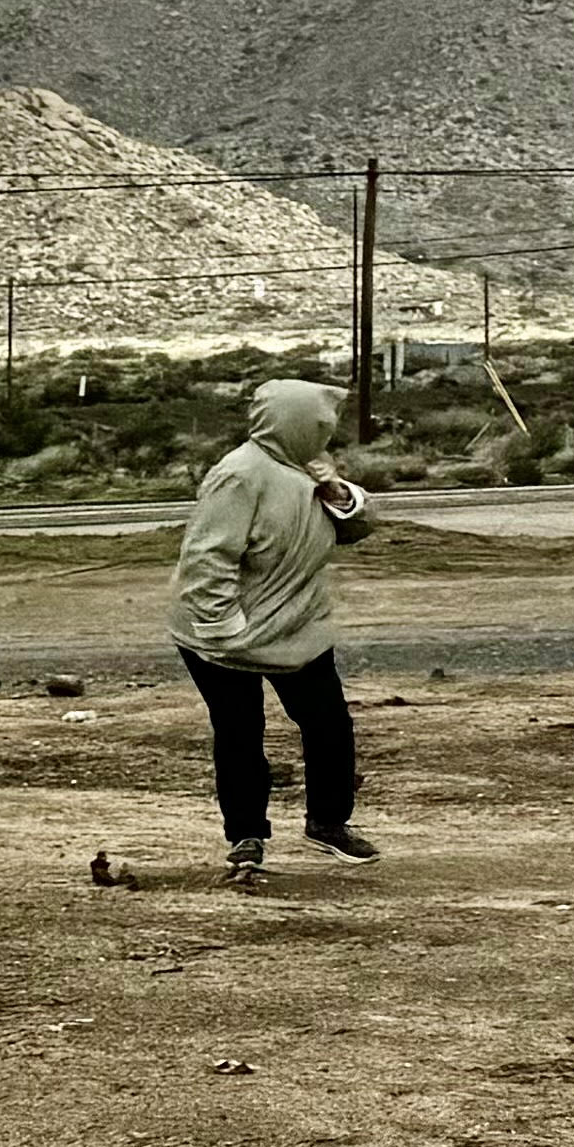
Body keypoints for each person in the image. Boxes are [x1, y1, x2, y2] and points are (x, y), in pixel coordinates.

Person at [174, 376, 377, 884]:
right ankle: (247, 838)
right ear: (293, 423)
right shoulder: (240, 475)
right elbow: (207, 559)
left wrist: (335, 490)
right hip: (222, 635)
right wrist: (223, 626)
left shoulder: (307, 471)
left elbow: (357, 527)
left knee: (329, 725)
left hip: (295, 626)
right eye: (317, 423)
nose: (325, 430)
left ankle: (328, 823)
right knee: (241, 733)